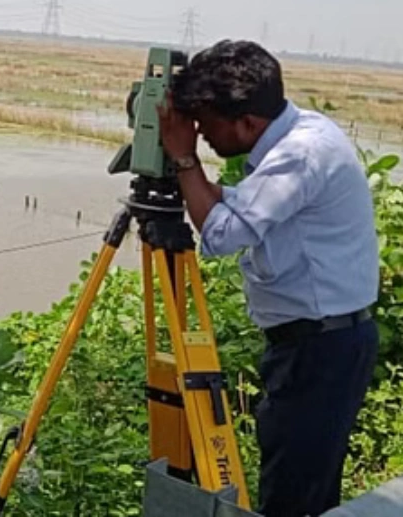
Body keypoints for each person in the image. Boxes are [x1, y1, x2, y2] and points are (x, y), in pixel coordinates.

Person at [156, 39, 379, 517]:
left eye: (206, 125)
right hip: (323, 343)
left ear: (248, 123)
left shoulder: (300, 155)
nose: (201, 134)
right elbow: (251, 202)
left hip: (318, 353)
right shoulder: (305, 133)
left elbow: (218, 235)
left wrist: (183, 160)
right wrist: (202, 180)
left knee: (293, 500)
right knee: (308, 492)